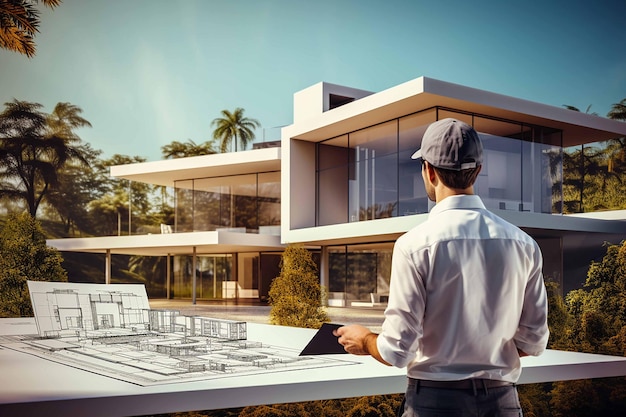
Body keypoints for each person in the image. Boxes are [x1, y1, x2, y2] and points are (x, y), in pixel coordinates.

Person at [334, 118, 549, 417]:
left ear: (429, 171)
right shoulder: (523, 244)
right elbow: (534, 341)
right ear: (478, 171)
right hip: (503, 404)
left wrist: (365, 339)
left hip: (434, 404)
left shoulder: (414, 245)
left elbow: (397, 351)